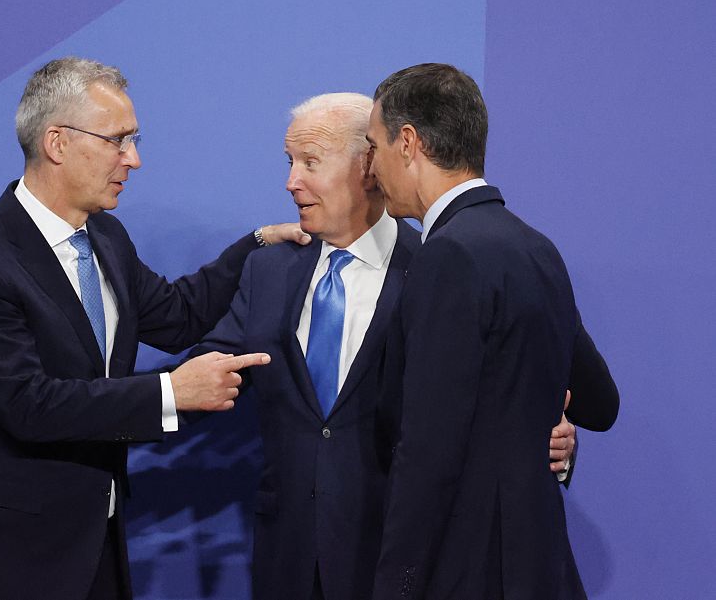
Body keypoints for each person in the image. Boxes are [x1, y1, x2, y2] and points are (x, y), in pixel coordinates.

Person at [0, 56, 307, 600]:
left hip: (94, 543)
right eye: (118, 140)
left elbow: (178, 316)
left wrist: (256, 245)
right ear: (57, 143)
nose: (133, 158)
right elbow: (29, 405)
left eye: (133, 140)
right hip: (1, 558)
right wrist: (171, 392)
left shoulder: (105, 236)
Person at [192, 93, 616, 600]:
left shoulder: (447, 261)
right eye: (290, 162)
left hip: (401, 561)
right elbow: (205, 373)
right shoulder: (268, 270)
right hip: (289, 561)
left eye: (310, 162)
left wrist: (548, 437)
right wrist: (148, 402)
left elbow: (555, 372)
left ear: (370, 165)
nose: (291, 181)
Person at [367, 63, 600, 599]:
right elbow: (599, 400)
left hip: (469, 570)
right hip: (540, 565)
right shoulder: (536, 247)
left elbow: (427, 450)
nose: (371, 168)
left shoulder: (447, 256)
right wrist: (544, 422)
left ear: (409, 143)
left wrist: (397, 586)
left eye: (374, 147)